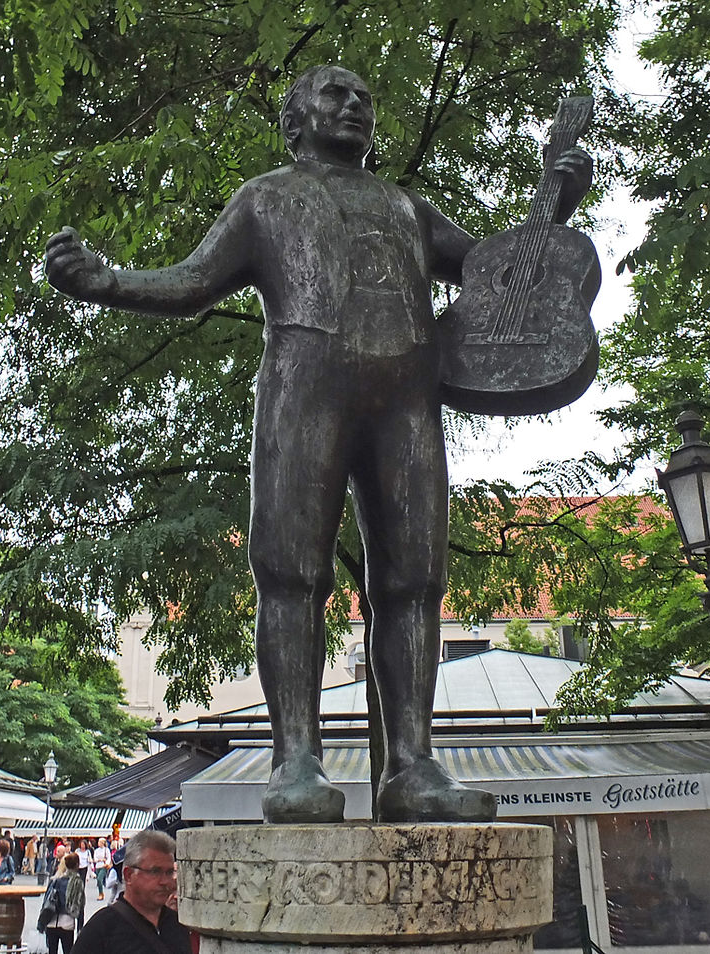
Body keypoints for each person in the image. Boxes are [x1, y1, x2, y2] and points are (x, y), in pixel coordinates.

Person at [45, 64, 592, 824]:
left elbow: (499, 273)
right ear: (294, 121)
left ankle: (412, 764)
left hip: (406, 400)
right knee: (291, 573)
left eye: (365, 97)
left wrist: (556, 202)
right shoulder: (266, 197)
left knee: (413, 581)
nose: (356, 105)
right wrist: (106, 280)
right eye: (335, 94)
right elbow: (193, 282)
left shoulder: (407, 206)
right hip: (306, 390)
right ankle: (294, 759)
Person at [71, 831, 189, 954]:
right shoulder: (101, 929)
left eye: (169, 872)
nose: (165, 881)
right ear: (129, 875)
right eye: (155, 871)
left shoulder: (177, 924)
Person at [39, 852, 85, 954]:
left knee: (52, 951)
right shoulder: (77, 882)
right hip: (67, 922)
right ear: (77, 865)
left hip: (51, 920)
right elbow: (80, 905)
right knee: (68, 950)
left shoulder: (55, 880)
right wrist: (80, 927)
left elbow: (46, 900)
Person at [92, 837, 111, 901]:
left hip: (103, 866)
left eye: (100, 842)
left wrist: (107, 863)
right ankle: (100, 892)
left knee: (99, 879)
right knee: (98, 880)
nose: (98, 843)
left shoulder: (106, 850)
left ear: (103, 843)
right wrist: (100, 859)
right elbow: (95, 859)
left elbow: (109, 858)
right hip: (97, 866)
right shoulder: (96, 850)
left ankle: (101, 893)